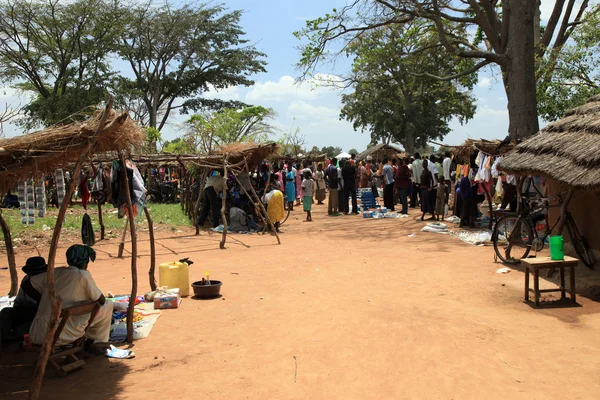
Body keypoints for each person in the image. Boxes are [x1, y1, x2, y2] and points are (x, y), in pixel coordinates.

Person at [27, 245, 113, 353]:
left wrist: (44, 298)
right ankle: (91, 344)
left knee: (78, 308)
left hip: (37, 332)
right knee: (107, 306)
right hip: (59, 334)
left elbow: (28, 283)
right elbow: (101, 300)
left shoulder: (56, 272)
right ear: (85, 261)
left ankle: (89, 343)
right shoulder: (82, 275)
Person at [0, 257, 47, 342]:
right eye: (31, 274)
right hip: (26, 312)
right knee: (5, 312)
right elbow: (18, 301)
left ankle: (11, 339)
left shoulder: (49, 282)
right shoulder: (26, 281)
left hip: (40, 316)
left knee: (23, 329)